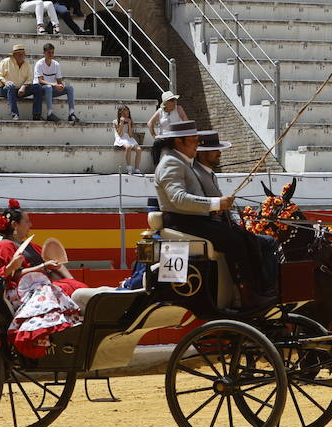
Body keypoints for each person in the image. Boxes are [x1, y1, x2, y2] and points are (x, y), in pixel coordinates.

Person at [154, 119, 276, 309]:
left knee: (245, 237)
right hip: (182, 221)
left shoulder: (181, 161)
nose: (197, 143)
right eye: (193, 139)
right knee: (235, 241)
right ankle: (246, 297)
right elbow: (178, 199)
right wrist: (216, 203)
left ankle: (258, 290)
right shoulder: (172, 163)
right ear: (179, 142)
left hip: (193, 220)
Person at [0, 199, 84, 358]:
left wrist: (11, 268)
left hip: (8, 289)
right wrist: (11, 267)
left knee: (48, 290)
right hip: (0, 294)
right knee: (47, 292)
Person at [0, 199, 87, 298]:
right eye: (27, 222)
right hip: (28, 289)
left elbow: (56, 262)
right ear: (15, 225)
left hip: (45, 284)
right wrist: (43, 266)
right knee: (66, 289)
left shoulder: (29, 245)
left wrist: (72, 280)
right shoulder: (5, 246)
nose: (30, 225)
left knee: (80, 288)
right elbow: (14, 276)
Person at [0, 42, 44, 121]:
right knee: (11, 86)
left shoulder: (27, 64)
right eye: (18, 54)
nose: (21, 55)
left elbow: (30, 78)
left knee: (38, 87)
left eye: (22, 54)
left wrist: (24, 86)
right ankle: (15, 114)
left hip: (21, 90)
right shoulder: (6, 62)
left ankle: (37, 114)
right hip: (6, 89)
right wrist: (5, 82)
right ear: (14, 55)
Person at [34, 42, 79, 124]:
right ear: (44, 53)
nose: (51, 54)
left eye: (52, 52)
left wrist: (60, 86)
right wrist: (54, 84)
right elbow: (40, 81)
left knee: (69, 88)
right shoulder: (39, 64)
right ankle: (49, 113)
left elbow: (59, 81)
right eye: (49, 52)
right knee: (48, 87)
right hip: (41, 90)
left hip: (52, 89)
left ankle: (71, 114)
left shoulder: (56, 64)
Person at [113, 104, 142, 174]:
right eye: (124, 113)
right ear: (120, 113)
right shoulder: (115, 121)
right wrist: (122, 123)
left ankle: (137, 168)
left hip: (129, 138)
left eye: (127, 113)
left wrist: (129, 124)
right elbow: (120, 134)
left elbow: (131, 135)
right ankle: (129, 167)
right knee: (128, 147)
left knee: (139, 149)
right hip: (120, 138)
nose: (126, 115)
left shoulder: (130, 121)